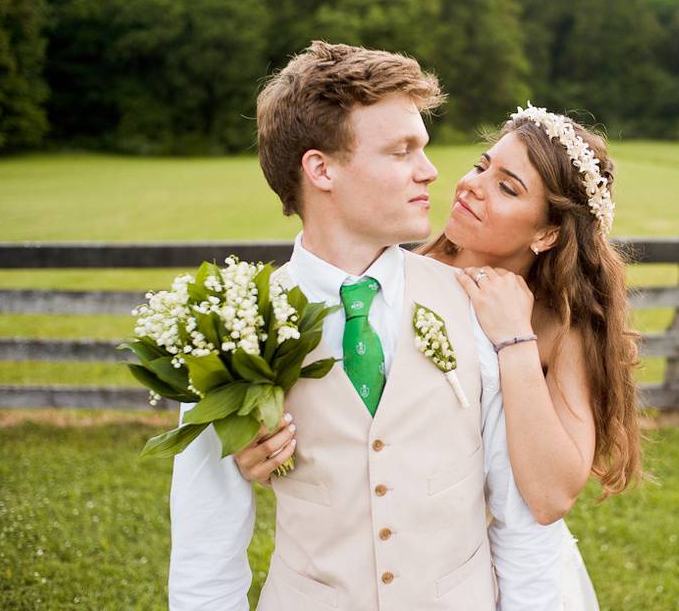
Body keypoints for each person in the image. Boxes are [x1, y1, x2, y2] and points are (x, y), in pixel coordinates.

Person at [169, 41, 564, 611]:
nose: (430, 172)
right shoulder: (233, 330)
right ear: (321, 168)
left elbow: (522, 524)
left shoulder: (478, 306)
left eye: (423, 148)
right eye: (402, 151)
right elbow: (206, 546)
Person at [236, 100, 645, 609]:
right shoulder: (399, 272)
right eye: (482, 165)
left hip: (512, 573)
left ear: (546, 233)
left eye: (507, 187)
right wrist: (257, 447)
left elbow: (550, 497)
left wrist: (514, 339)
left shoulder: (560, 325)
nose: (472, 184)